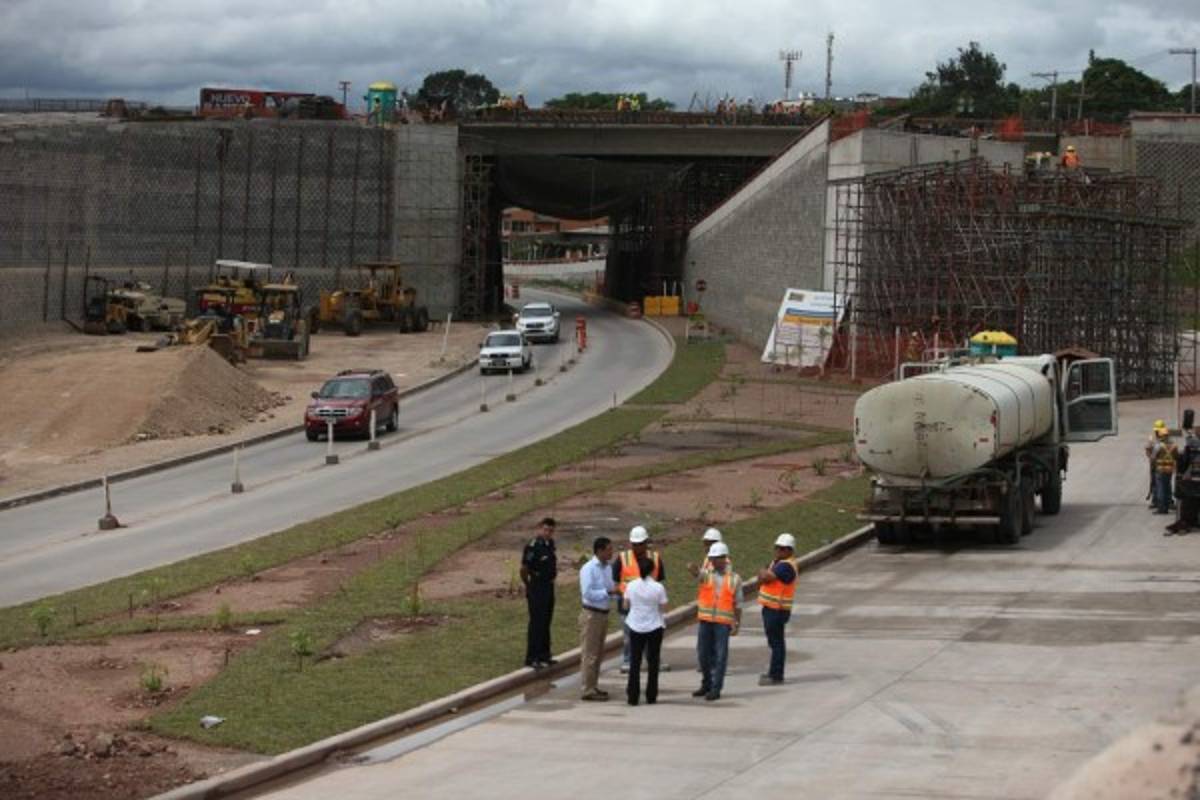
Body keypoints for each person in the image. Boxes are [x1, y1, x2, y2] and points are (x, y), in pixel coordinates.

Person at [693, 542, 742, 702]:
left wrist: (737, 623)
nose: (713, 561)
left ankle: (716, 688)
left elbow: (738, 604)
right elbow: (696, 573)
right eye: (711, 558)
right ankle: (706, 683)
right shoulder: (707, 574)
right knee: (702, 654)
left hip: (722, 623)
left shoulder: (735, 579)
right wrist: (692, 568)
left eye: (716, 558)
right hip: (706, 620)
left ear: (724, 559)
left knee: (721, 656)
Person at [614, 525, 665, 673]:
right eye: (634, 544)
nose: (637, 547)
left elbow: (659, 580)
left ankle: (653, 660)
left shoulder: (655, 558)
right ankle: (627, 661)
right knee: (628, 635)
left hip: (649, 605)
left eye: (640, 544)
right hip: (628, 604)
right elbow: (616, 581)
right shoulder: (622, 558)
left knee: (652, 634)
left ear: (646, 543)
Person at [578, 536, 621, 700]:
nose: (612, 552)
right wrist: (609, 593)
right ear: (600, 550)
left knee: (598, 653)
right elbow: (587, 593)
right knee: (590, 653)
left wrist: (618, 595)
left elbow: (610, 589)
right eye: (609, 549)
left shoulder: (608, 568)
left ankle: (593, 685)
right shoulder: (588, 568)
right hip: (591, 614)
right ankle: (587, 689)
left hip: (603, 614)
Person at [623, 556, 668, 706]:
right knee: (653, 661)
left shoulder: (631, 585)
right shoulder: (658, 587)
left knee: (635, 662)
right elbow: (663, 607)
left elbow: (626, 605)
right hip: (654, 626)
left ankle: (632, 696)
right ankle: (651, 695)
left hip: (635, 625)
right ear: (652, 570)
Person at [756, 533, 799, 685]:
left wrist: (763, 572)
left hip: (777, 610)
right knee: (775, 642)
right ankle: (774, 673)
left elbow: (765, 577)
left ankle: (776, 675)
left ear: (789, 550)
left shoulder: (786, 566)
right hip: (771, 608)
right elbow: (762, 576)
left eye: (781, 549)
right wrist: (763, 573)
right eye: (777, 548)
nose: (778, 551)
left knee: (776, 643)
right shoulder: (778, 563)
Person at [521, 517, 558, 668]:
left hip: (548, 587)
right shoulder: (532, 546)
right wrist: (529, 585)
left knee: (546, 621)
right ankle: (532, 657)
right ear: (539, 528)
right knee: (536, 623)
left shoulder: (550, 545)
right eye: (545, 529)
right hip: (537, 587)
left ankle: (544, 654)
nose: (548, 533)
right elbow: (524, 569)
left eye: (551, 530)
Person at [1169, 410, 1200, 535]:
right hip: (1194, 480)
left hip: (1193, 481)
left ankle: (1187, 521)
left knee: (1187, 499)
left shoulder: (1193, 445)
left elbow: (1189, 442)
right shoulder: (1193, 446)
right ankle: (1190, 521)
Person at [1146, 422, 1178, 515]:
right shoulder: (1174, 445)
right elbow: (1177, 457)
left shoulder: (1158, 446)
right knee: (1167, 487)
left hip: (1160, 470)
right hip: (1170, 470)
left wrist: (1148, 449)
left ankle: (1162, 508)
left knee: (1160, 488)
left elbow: (1152, 457)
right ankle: (1168, 504)